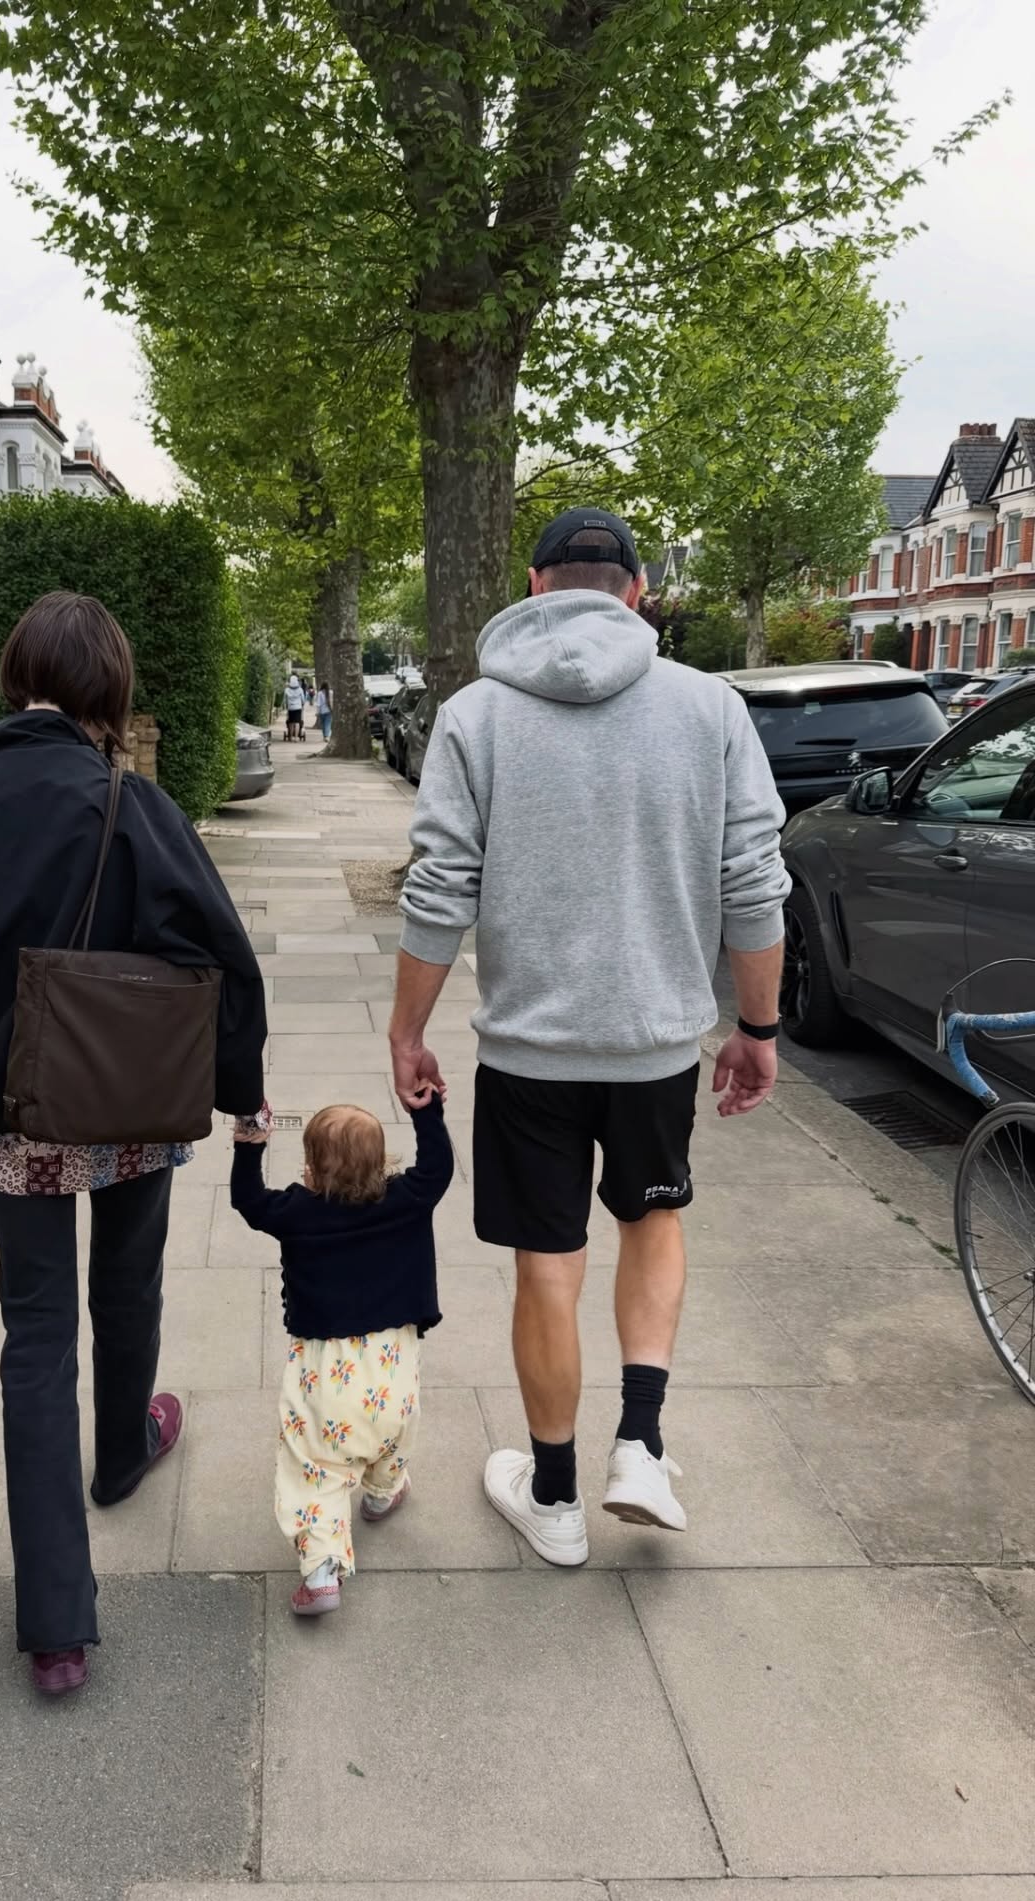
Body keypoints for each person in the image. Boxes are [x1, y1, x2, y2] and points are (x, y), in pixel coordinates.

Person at [388, 508, 788, 1568]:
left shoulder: (475, 716)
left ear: (534, 584)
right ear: (639, 590)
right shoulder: (710, 709)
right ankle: (643, 1447)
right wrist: (757, 1025)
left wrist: (408, 1030)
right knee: (654, 1226)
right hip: (657, 1046)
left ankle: (555, 1499)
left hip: (529, 1053)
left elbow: (439, 887)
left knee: (547, 1266)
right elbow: (752, 880)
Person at [0, 590, 268, 1694]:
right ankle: (123, 1453)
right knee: (129, 1282)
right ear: (109, 691)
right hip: (129, 1106)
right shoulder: (139, 804)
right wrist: (240, 1089)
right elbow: (223, 957)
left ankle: (56, 1627)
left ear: (15, 680)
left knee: (35, 1334)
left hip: (8, 1116)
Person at [230, 1093, 454, 1615]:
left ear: (311, 1170)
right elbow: (439, 1165)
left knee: (315, 1468)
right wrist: (427, 1110)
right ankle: (381, 1493)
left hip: (324, 1377)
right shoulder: (409, 1199)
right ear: (382, 1164)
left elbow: (247, 1198)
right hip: (393, 1369)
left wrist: (250, 1143)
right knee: (394, 1433)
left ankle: (322, 1573)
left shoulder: (295, 1212)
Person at [284, 672, 306, 742]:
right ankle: (296, 737)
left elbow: (285, 699)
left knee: (290, 722)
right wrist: (303, 704)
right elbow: (303, 699)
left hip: (290, 707)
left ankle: (290, 736)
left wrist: (286, 706)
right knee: (297, 722)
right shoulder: (300, 690)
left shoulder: (287, 690)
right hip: (298, 707)